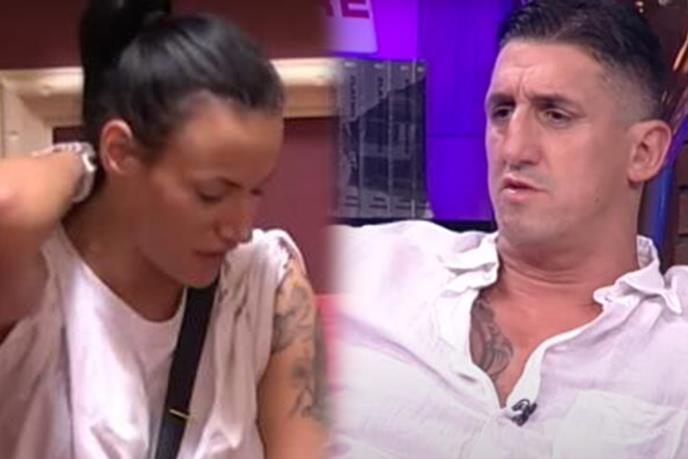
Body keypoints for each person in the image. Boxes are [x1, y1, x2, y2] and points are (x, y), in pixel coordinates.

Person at [329, 0, 688, 457]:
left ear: (643, 152)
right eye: (502, 111)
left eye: (555, 115)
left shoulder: (675, 344)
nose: (514, 149)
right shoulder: (371, 264)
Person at [0, 0, 327, 458]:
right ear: (120, 152)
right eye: (211, 194)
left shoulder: (266, 285)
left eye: (255, 190)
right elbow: (9, 205)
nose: (239, 228)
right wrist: (83, 161)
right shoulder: (35, 283)